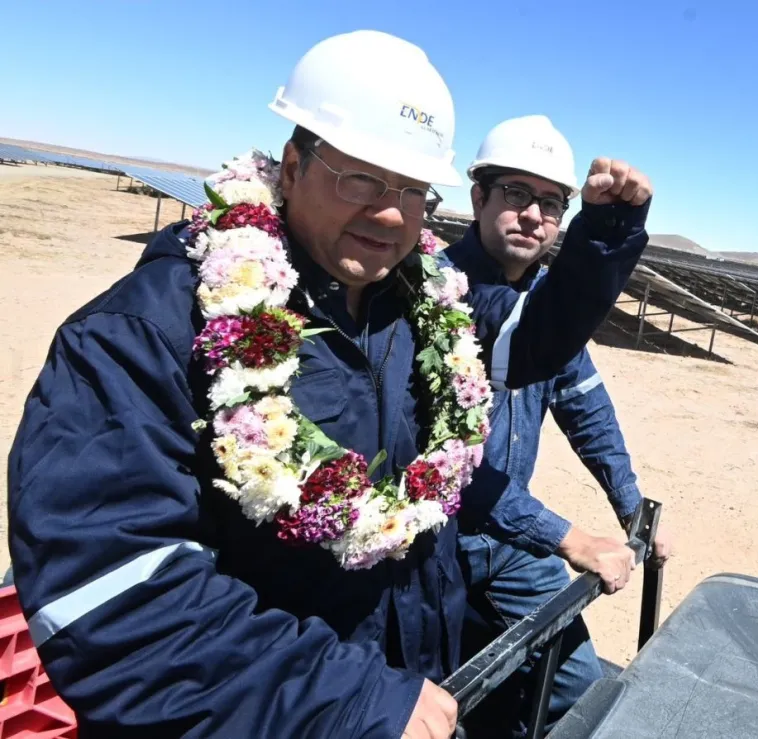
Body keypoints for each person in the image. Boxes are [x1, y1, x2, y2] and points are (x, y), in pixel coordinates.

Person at [5, 31, 653, 739]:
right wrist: (344, 698)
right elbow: (112, 596)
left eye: (410, 189)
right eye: (360, 179)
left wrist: (603, 237)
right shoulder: (147, 332)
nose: (389, 212)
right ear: (292, 163)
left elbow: (537, 341)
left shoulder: (421, 309)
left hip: (407, 692)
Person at [441, 115, 673, 737]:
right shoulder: (433, 298)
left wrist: (632, 508)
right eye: (515, 194)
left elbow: (586, 407)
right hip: (432, 551)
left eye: (551, 202)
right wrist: (567, 537)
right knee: (442, 697)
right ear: (478, 198)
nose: (533, 215)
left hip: (511, 544)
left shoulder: (547, 304)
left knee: (572, 693)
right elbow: (441, 468)